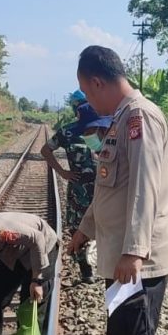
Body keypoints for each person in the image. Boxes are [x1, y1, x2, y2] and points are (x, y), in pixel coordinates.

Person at [67, 45, 168, 335]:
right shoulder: (120, 119)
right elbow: (109, 190)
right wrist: (81, 234)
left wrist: (134, 250)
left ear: (97, 81)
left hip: (137, 262)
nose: (88, 102)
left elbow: (145, 189)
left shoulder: (139, 117)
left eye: (87, 93)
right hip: (121, 261)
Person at [40, 103, 112, 284]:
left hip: (103, 188)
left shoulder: (106, 128)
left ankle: (105, 265)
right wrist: (62, 172)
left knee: (106, 226)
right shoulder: (68, 132)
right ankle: (86, 271)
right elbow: (45, 150)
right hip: (78, 190)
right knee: (77, 228)